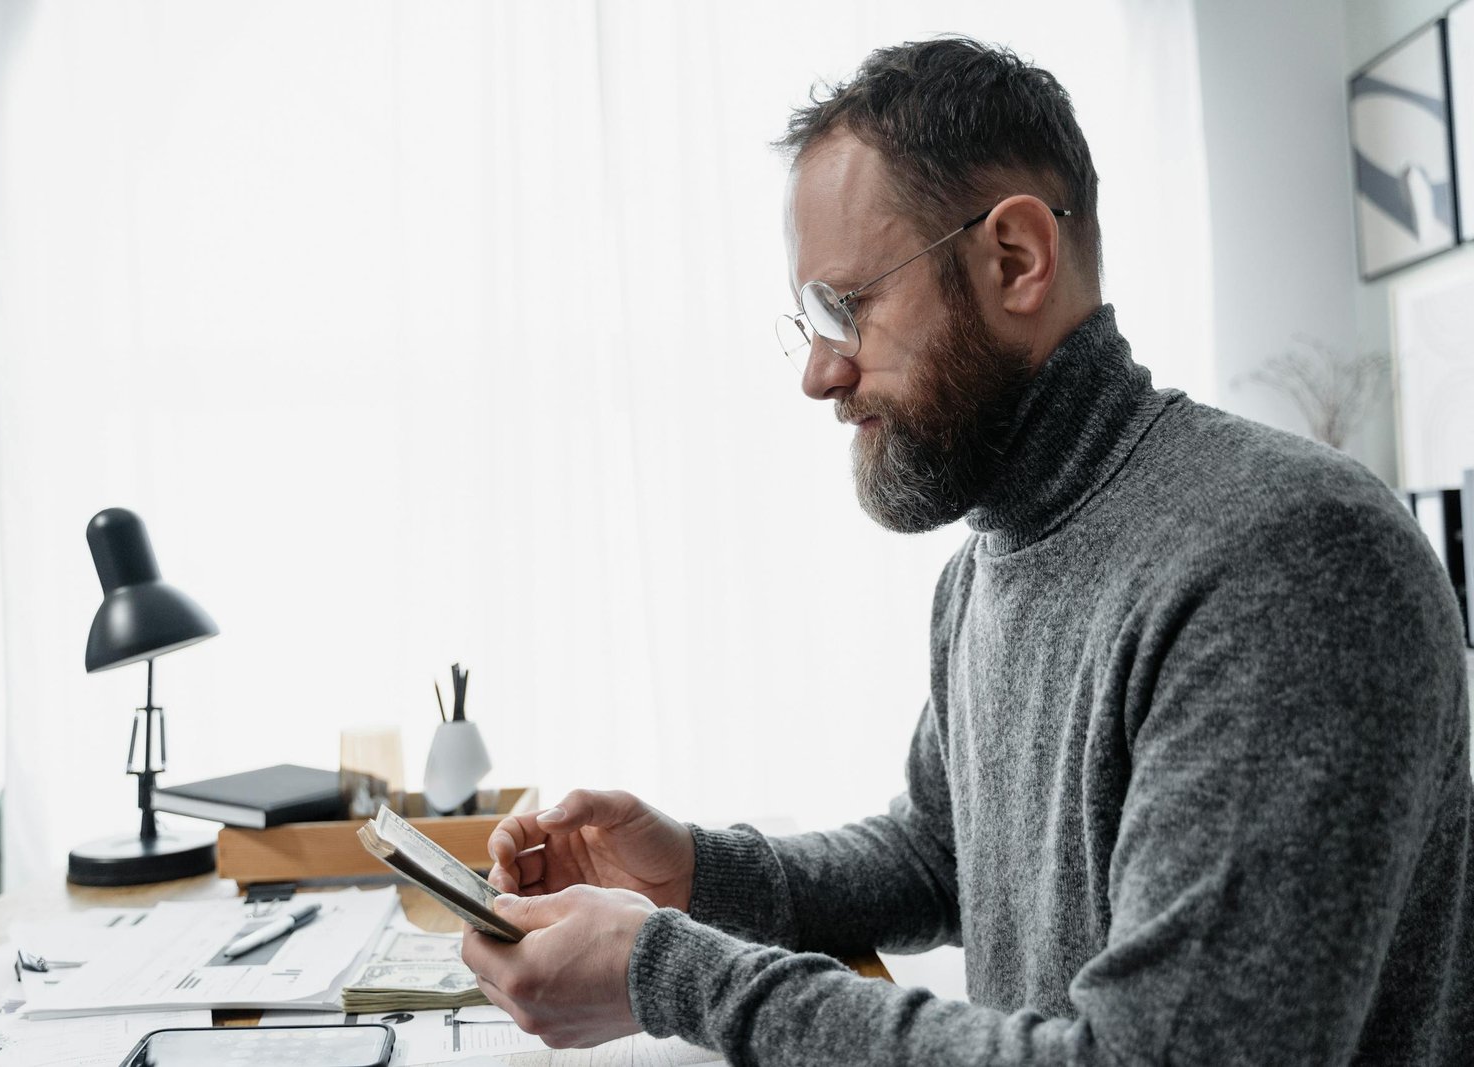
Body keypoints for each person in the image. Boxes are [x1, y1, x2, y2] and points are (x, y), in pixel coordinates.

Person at [460, 35, 1474, 1065]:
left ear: (1014, 259)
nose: (818, 371)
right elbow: (943, 851)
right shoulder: (985, 566)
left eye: (844, 306)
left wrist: (671, 970)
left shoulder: (1287, 560)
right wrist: (697, 872)